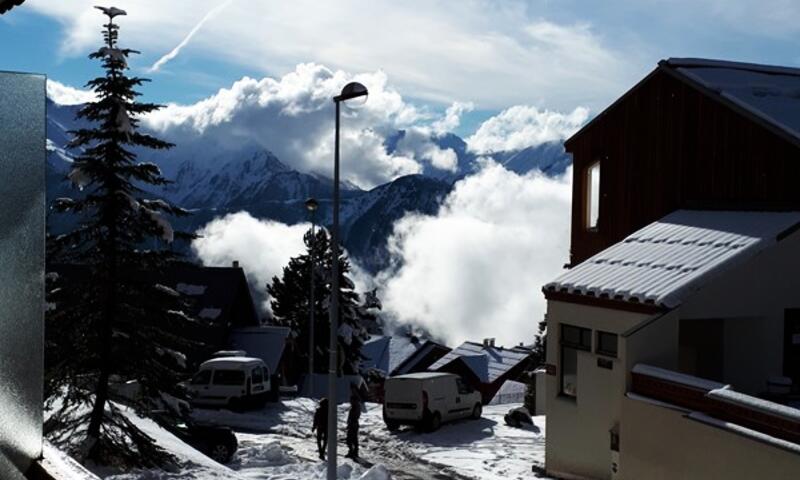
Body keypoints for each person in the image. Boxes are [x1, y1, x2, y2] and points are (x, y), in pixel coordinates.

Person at [345, 392, 361, 459]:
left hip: (353, 424)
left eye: (351, 400)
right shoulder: (356, 406)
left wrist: (350, 424)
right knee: (354, 439)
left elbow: (353, 417)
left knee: (350, 439)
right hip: (354, 424)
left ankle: (352, 451)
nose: (350, 401)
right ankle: (354, 451)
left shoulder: (355, 407)